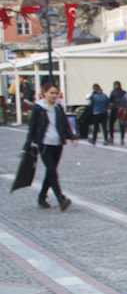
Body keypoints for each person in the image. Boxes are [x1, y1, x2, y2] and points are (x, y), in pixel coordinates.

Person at [23, 82, 78, 210]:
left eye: (56, 93)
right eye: (51, 93)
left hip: (57, 143)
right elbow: (32, 127)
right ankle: (60, 198)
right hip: (44, 143)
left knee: (50, 171)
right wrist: (27, 144)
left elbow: (65, 125)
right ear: (45, 93)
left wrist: (73, 137)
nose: (54, 96)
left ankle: (42, 197)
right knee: (52, 171)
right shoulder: (38, 108)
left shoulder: (58, 108)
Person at [109, 81, 127, 146]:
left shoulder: (113, 92)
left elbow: (110, 100)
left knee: (111, 123)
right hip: (121, 109)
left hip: (114, 109)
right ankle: (122, 138)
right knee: (121, 124)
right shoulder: (123, 92)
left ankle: (111, 137)